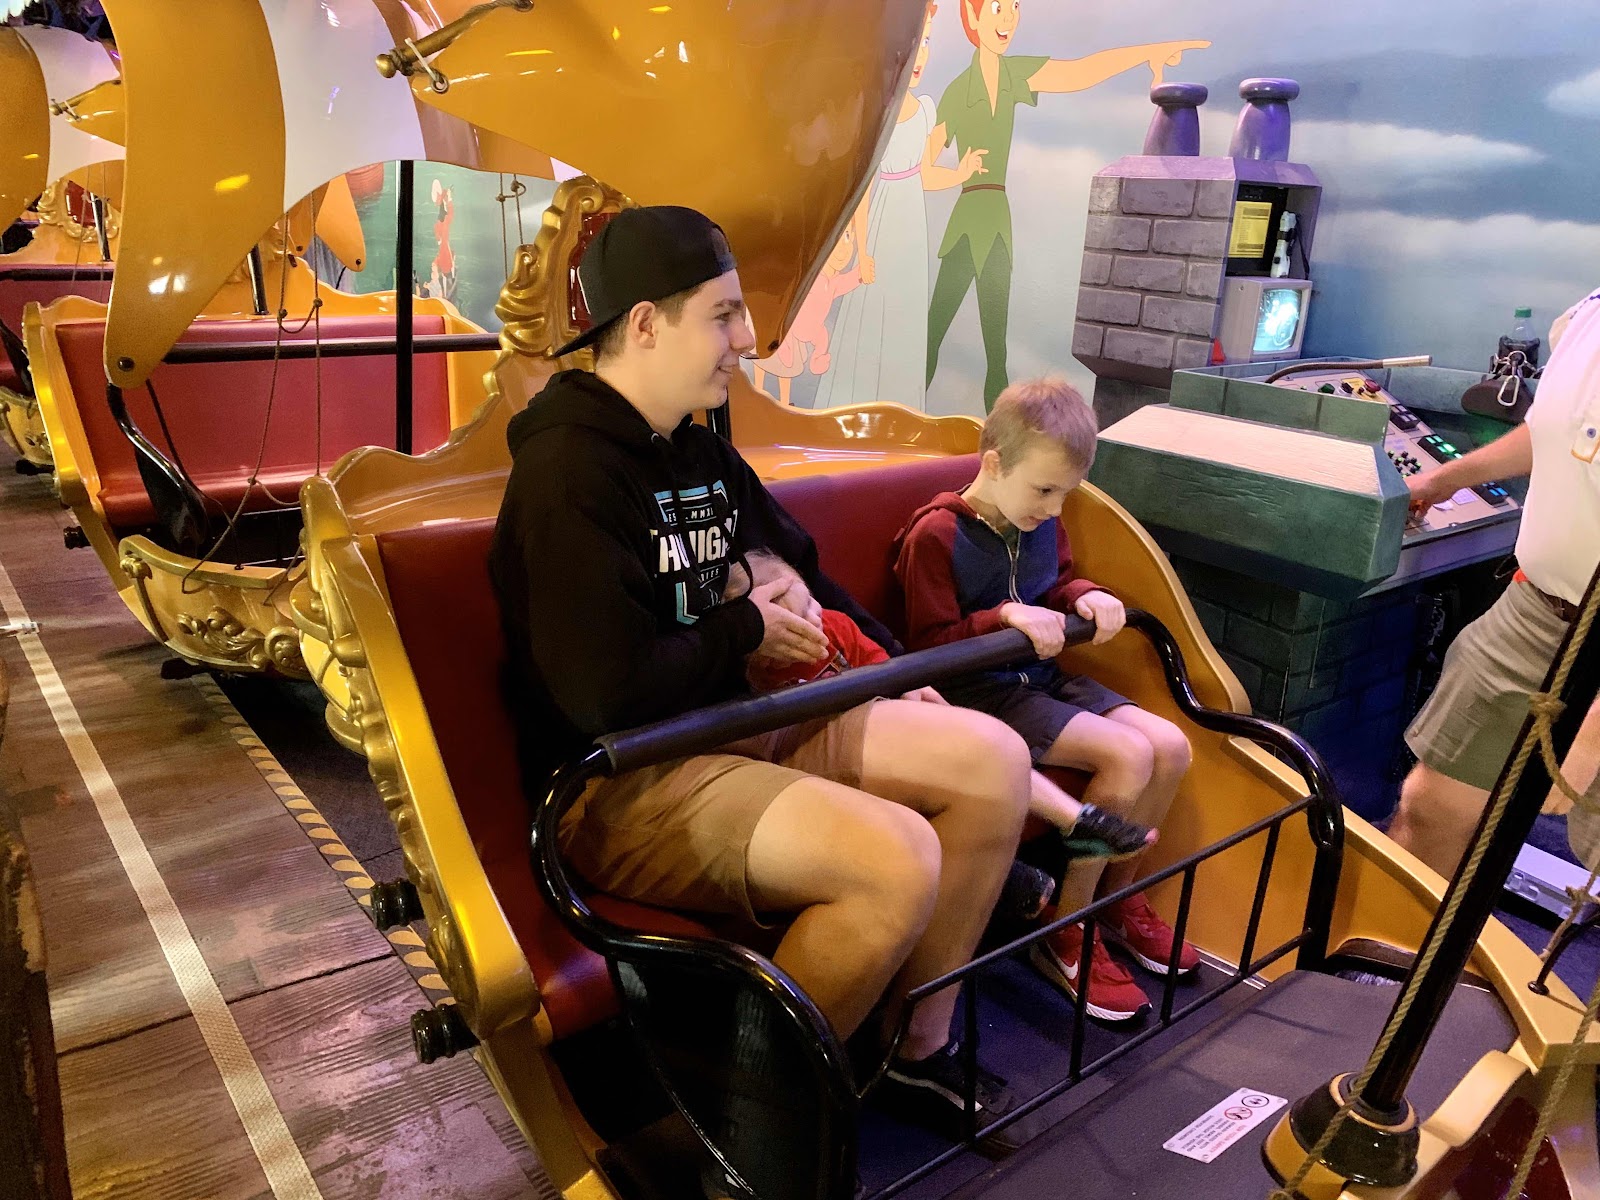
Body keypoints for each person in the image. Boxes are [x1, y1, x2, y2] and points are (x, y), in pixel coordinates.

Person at [490, 205, 1041, 1140]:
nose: (747, 338)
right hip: (619, 781)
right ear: (646, 324)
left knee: (994, 761)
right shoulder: (567, 474)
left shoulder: (699, 449)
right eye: (725, 314)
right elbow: (603, 695)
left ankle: (914, 1050)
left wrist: (894, 671)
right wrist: (743, 628)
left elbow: (809, 571)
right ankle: (747, 1132)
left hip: (736, 725)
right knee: (895, 860)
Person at [893, 377, 1196, 1023]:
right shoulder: (935, 535)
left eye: (1066, 494)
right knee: (1128, 755)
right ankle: (1068, 928)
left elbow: (1055, 585)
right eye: (1044, 491)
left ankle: (1118, 898)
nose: (1055, 509)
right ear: (994, 462)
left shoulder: (1038, 523)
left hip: (1042, 680)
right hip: (981, 696)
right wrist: (1004, 616)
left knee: (1171, 745)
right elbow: (928, 647)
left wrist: (1086, 594)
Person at [732, 548, 1158, 863]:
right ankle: (1018, 867)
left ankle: (1074, 820)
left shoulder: (836, 624)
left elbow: (883, 669)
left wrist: (913, 690)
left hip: (884, 727)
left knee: (976, 743)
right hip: (836, 763)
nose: (816, 620)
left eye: (811, 602)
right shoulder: (757, 678)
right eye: (798, 625)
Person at [1388, 291, 1600, 878]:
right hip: (1535, 610)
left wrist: (1590, 728)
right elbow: (1559, 431)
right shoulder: (1587, 315)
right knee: (1429, 808)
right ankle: (1404, 936)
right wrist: (1448, 477)